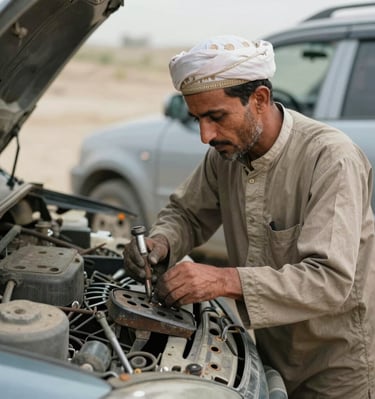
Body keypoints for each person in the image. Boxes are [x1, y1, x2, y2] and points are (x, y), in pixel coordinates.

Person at [122, 35, 375, 398]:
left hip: (337, 368)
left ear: (259, 99)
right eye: (197, 119)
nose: (205, 135)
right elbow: (186, 214)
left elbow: (329, 281)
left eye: (216, 117)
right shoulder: (225, 156)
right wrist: (161, 243)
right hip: (272, 355)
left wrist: (222, 280)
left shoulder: (331, 159)